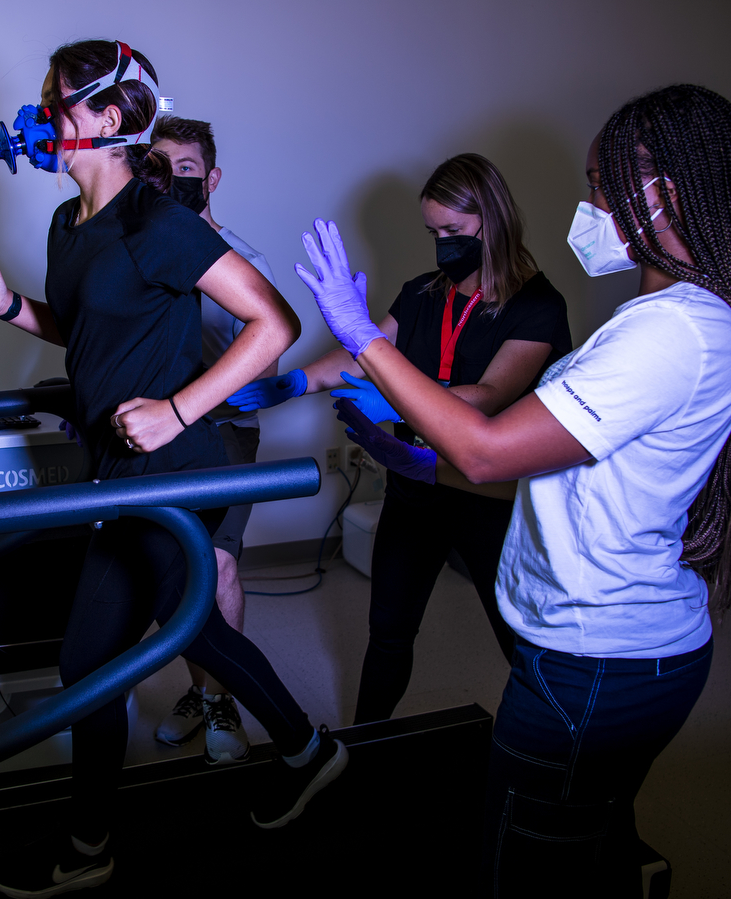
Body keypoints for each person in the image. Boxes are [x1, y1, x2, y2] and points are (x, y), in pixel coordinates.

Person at [301, 84, 731, 895]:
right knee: (574, 845)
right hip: (605, 645)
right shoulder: (664, 320)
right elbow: (558, 473)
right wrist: (417, 464)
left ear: (664, 193)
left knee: (523, 872)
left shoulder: (669, 330)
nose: (588, 205)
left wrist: (364, 338)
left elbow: (482, 447)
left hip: (599, 662)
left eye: (597, 184)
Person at [0, 40, 347, 897]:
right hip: (116, 471)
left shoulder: (155, 221)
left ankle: (90, 844)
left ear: (108, 116)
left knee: (96, 659)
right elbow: (87, 329)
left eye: (57, 104)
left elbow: (273, 325)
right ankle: (310, 751)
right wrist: (9, 307)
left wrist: (178, 409)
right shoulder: (72, 225)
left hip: (178, 473)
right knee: (181, 631)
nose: (40, 120)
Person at [229, 154, 571, 725]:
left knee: (518, 641)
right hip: (414, 484)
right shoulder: (421, 294)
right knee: (387, 633)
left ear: (493, 220)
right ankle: (366, 744)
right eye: (433, 232)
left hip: (488, 496)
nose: (441, 244)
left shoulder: (537, 306)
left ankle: (548, 746)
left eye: (454, 232)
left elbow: (488, 395)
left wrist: (393, 402)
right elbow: (365, 354)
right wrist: (295, 382)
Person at [146, 115, 281, 763]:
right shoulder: (140, 252)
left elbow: (270, 366)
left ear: (213, 179)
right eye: (162, 171)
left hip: (223, 428)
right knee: (173, 566)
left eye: (189, 173)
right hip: (156, 429)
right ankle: (201, 691)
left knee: (217, 562)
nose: (175, 183)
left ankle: (224, 698)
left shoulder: (243, 263)